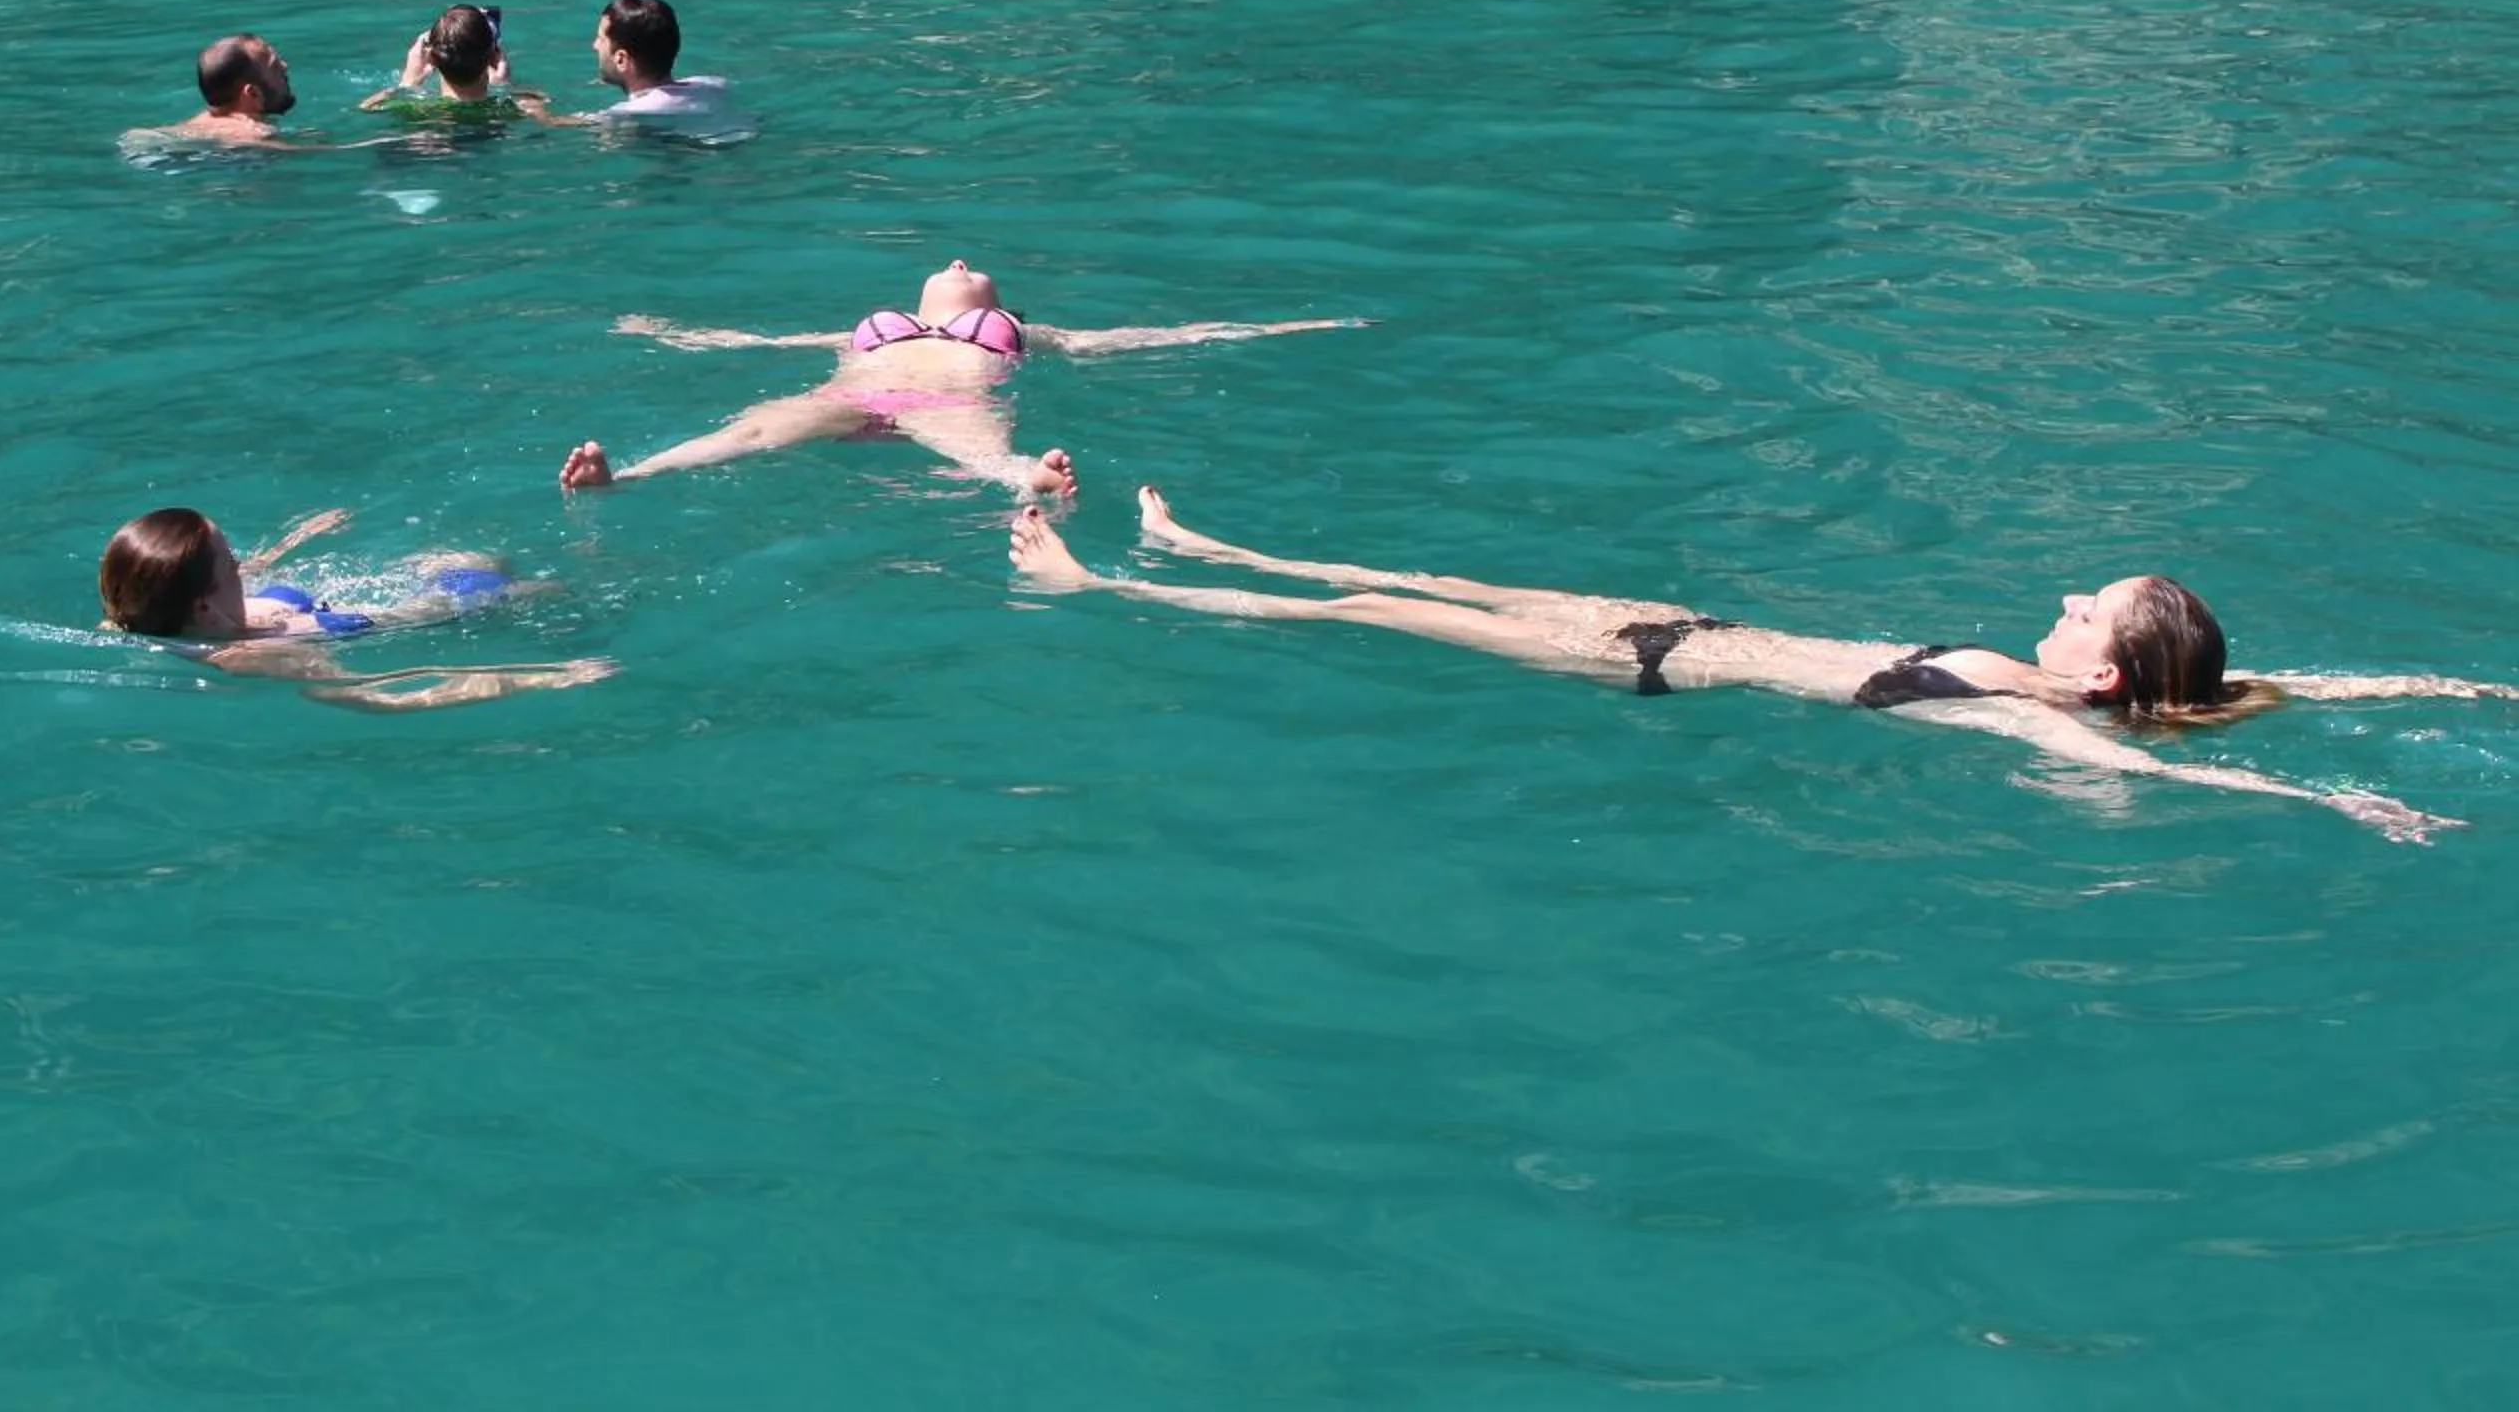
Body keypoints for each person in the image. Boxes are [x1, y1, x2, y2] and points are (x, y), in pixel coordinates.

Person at [1004, 490, 2471, 843]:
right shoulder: (2151, 694)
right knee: (1433, 573)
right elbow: (2298, 687)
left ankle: (1084, 582)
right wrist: (2461, 693)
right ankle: (1210, 544)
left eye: (2092, 608)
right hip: (1679, 617)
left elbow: (2133, 769)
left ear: (2100, 682)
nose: (2069, 590)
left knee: (1361, 620)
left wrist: (2335, 806)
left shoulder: (2050, 731)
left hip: (1651, 669)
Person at [559, 259, 1365, 499]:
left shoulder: (1025, 330)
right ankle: (624, 475)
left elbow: (1143, 339)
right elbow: (756, 341)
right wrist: (676, 334)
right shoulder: (875, 328)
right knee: (747, 432)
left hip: (949, 399)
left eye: (973, 267)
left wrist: (1276, 325)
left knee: (987, 461)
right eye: (949, 262)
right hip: (852, 395)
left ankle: (1032, 480)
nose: (957, 261)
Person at [96, 506, 609, 711]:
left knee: (474, 555)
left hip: (324, 601)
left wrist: (294, 539)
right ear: (205, 608)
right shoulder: (256, 656)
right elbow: (378, 696)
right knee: (537, 584)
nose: (240, 564)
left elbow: (239, 576)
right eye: (230, 561)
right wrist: (538, 678)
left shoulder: (153, 606)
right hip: (449, 605)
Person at [517, 0, 737, 132]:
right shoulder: (713, 85)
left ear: (621, 59)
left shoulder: (629, 113)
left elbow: (556, 123)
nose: (594, 46)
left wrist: (536, 109)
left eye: (601, 39)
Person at [360, 3, 541, 117]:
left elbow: (363, 110)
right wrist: (504, 88)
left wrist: (407, 84)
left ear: (432, 58)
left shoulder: (408, 107)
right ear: (495, 58)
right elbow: (561, 122)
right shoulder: (519, 107)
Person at [130, 34, 295, 147]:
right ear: (252, 94)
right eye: (274, 67)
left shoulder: (196, 125)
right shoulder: (252, 133)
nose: (284, 66)